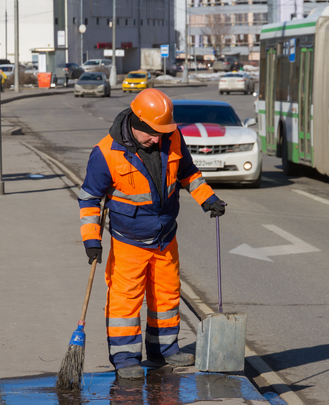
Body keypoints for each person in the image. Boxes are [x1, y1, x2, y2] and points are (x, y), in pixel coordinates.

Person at [78, 89, 226, 380]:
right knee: (125, 301)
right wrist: (91, 239)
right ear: (137, 123)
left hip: (165, 236)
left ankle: (164, 350)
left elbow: (188, 173)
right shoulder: (106, 153)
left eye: (162, 132)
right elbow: (90, 200)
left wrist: (207, 198)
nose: (158, 139)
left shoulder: (172, 138)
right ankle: (125, 357)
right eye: (153, 133)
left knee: (167, 295)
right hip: (128, 241)